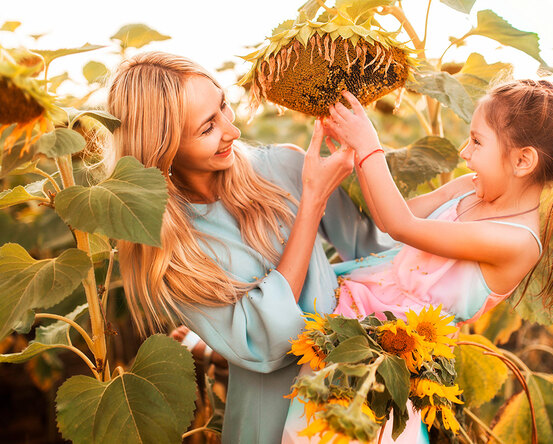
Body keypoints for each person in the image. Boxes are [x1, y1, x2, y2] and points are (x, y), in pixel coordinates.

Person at [107, 51, 395, 444]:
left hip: (359, 400)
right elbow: (262, 343)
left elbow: (376, 247)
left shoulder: (285, 166)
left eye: (224, 106)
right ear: (163, 148)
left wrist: (465, 194)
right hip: (271, 422)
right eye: (208, 127)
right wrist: (311, 204)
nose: (233, 131)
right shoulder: (170, 249)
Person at [321, 80, 553, 327]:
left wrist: (371, 146)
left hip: (388, 337)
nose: (464, 152)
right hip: (364, 293)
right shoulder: (468, 187)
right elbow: (387, 219)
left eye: (476, 141)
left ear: (522, 161)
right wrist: (358, 150)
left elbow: (401, 226)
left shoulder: (517, 241)